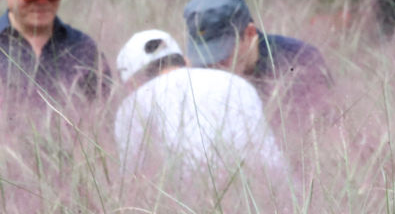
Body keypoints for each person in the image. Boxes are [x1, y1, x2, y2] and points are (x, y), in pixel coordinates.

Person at [113, 29, 288, 183]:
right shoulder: (238, 83)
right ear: (185, 61)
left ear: (130, 83)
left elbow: (131, 180)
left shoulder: (132, 105)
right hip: (274, 194)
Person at [182, 0, 331, 109]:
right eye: (204, 59)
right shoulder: (191, 77)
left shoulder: (300, 61)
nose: (214, 67)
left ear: (250, 33)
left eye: (222, 56)